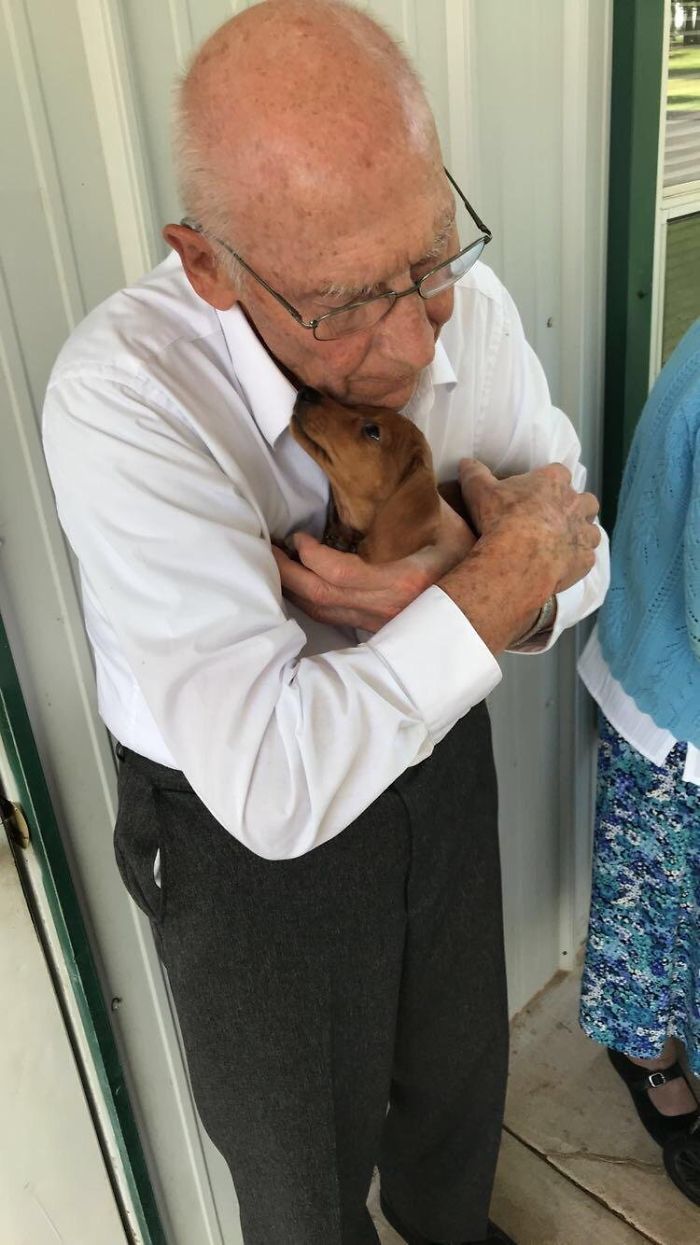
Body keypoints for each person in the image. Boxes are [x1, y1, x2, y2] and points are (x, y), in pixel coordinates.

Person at [42, 3, 607, 1242]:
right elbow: (272, 786)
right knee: (300, 1169)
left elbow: (578, 544)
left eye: (431, 263)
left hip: (439, 757)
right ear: (207, 266)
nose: (411, 341)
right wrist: (483, 589)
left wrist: (504, 590)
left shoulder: (464, 304)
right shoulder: (123, 398)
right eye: (346, 303)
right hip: (242, 848)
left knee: (460, 1079)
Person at [578, 317, 700, 1206]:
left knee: (658, 896)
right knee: (650, 900)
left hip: (667, 672)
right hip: (677, 694)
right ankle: (647, 1049)